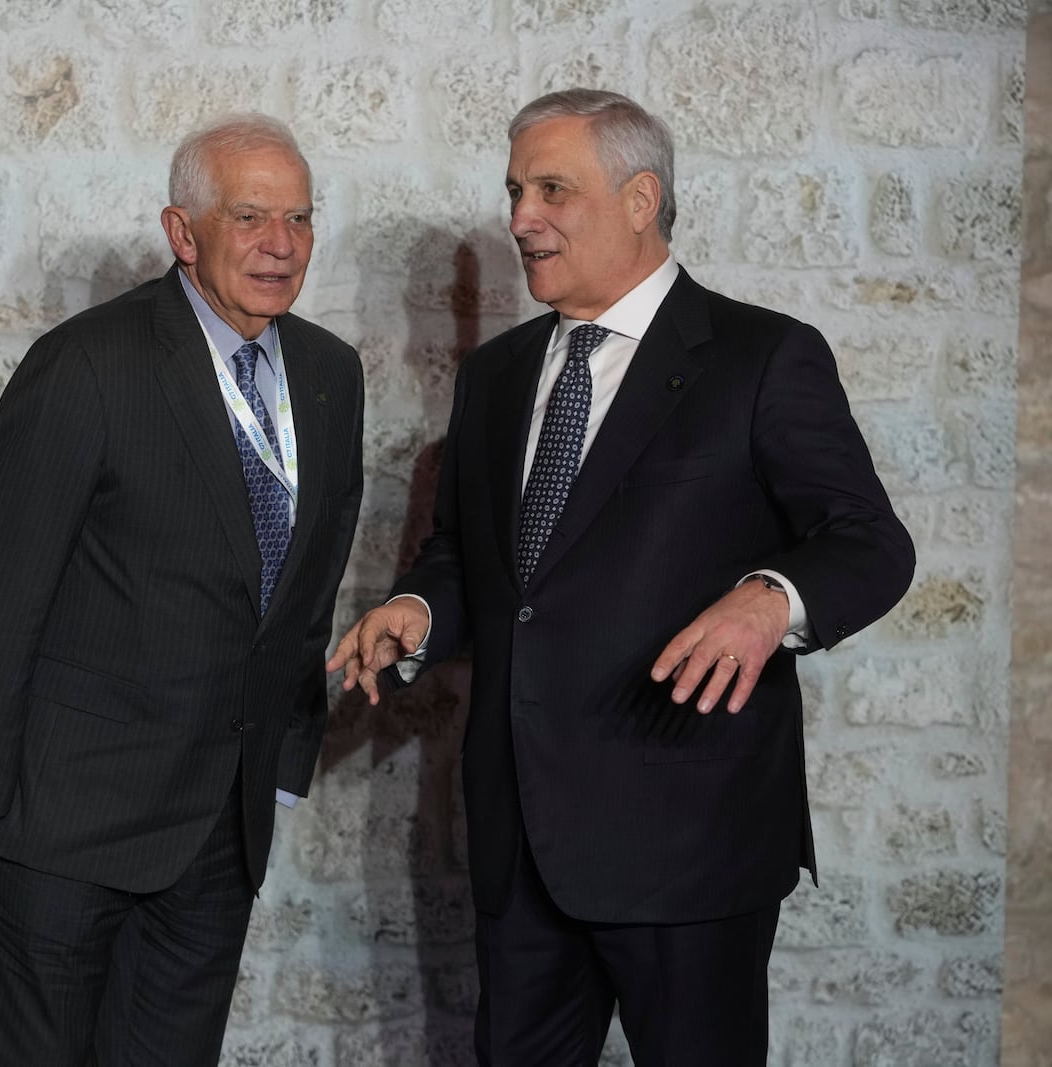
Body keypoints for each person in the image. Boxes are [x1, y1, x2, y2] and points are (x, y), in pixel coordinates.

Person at [328, 89, 915, 1066]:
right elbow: (472, 563)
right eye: (516, 190)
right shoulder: (494, 376)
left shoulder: (762, 357)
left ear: (640, 199)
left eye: (552, 188)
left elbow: (868, 541)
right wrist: (418, 609)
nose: (521, 217)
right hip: (519, 848)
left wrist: (770, 599)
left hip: (690, 848)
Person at [0, 113, 364, 1066]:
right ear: (182, 231)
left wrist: (281, 763)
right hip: (62, 829)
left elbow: (307, 582)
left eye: (299, 218)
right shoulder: (88, 364)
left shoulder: (331, 373)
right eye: (249, 216)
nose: (280, 245)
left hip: (214, 837)